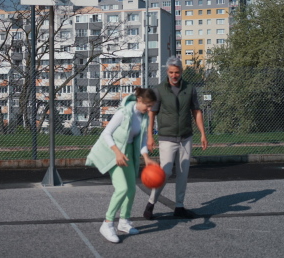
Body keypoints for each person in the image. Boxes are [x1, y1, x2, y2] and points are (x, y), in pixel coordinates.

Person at [86, 87, 159, 243]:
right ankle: (107, 223)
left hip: (128, 154)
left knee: (132, 189)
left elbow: (142, 139)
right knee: (122, 189)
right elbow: (106, 133)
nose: (149, 109)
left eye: (151, 106)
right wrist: (117, 153)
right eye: (148, 105)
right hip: (114, 154)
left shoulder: (143, 117)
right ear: (139, 101)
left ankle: (124, 222)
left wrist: (146, 157)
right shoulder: (123, 113)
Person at [143, 56, 208, 220]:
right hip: (167, 137)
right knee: (164, 173)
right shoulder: (159, 90)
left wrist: (202, 133)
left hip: (186, 137)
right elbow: (152, 114)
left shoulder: (190, 89)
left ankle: (179, 206)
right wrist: (150, 136)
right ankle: (151, 204)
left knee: (183, 173)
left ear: (181, 72)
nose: (174, 75)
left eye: (177, 72)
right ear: (167, 72)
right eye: (171, 72)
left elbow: (196, 111)